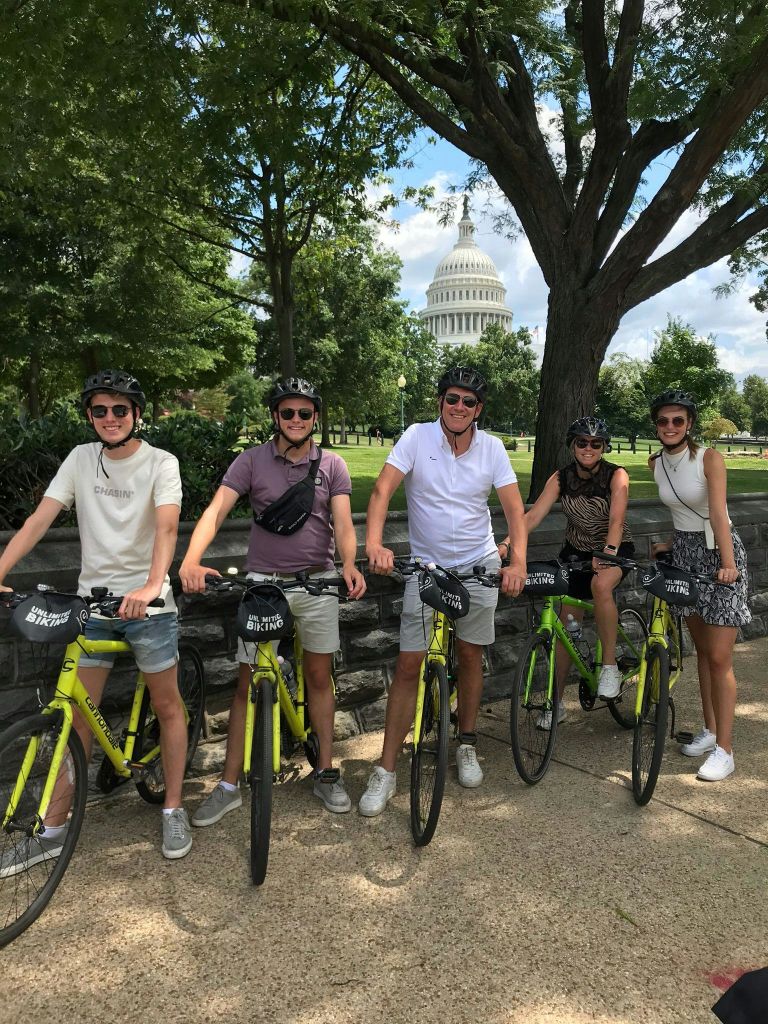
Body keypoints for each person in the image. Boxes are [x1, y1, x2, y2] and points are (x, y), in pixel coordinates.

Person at [0, 369, 191, 865]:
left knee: (168, 707)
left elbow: (167, 528)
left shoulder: (160, 463)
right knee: (78, 716)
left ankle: (173, 807)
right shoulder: (82, 459)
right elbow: (39, 518)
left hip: (149, 606)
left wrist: (152, 585)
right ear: (90, 416)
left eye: (119, 410)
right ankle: (53, 828)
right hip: (93, 605)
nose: (110, 418)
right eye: (100, 410)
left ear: (137, 415)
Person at [179, 376, 366, 820]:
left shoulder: (333, 465)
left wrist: (350, 564)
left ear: (315, 417)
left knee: (319, 679)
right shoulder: (250, 461)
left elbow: (343, 524)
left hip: (317, 581)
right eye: (288, 413)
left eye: (304, 413)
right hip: (264, 584)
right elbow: (216, 510)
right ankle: (228, 785)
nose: (296, 420)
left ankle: (325, 773)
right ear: (275, 417)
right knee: (246, 683)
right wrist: (190, 559)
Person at [359, 366, 527, 816]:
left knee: (471, 655)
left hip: (479, 563)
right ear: (440, 401)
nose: (459, 407)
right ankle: (386, 769)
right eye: (452, 398)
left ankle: (466, 742)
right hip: (427, 568)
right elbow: (381, 492)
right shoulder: (416, 437)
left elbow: (514, 509)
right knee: (410, 665)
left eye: (469, 402)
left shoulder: (491, 448)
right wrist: (373, 544)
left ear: (479, 409)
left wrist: (517, 563)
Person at [501, 416, 634, 728]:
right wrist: (507, 545)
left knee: (601, 587)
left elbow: (616, 521)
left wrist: (609, 554)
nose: (588, 448)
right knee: (564, 630)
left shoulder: (617, 476)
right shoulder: (561, 478)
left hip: (614, 548)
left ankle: (610, 667)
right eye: (582, 442)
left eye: (595, 443)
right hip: (575, 553)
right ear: (573, 445)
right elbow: (532, 516)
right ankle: (556, 702)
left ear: (604, 447)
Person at [648, 389, 749, 782]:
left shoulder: (709, 457)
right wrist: (669, 545)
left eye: (678, 420)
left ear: (690, 423)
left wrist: (727, 565)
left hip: (718, 554)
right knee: (702, 653)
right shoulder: (655, 463)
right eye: (663, 421)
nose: (670, 427)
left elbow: (718, 515)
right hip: (686, 553)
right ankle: (709, 731)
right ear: (655, 425)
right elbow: (682, 514)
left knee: (721, 657)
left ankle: (726, 750)